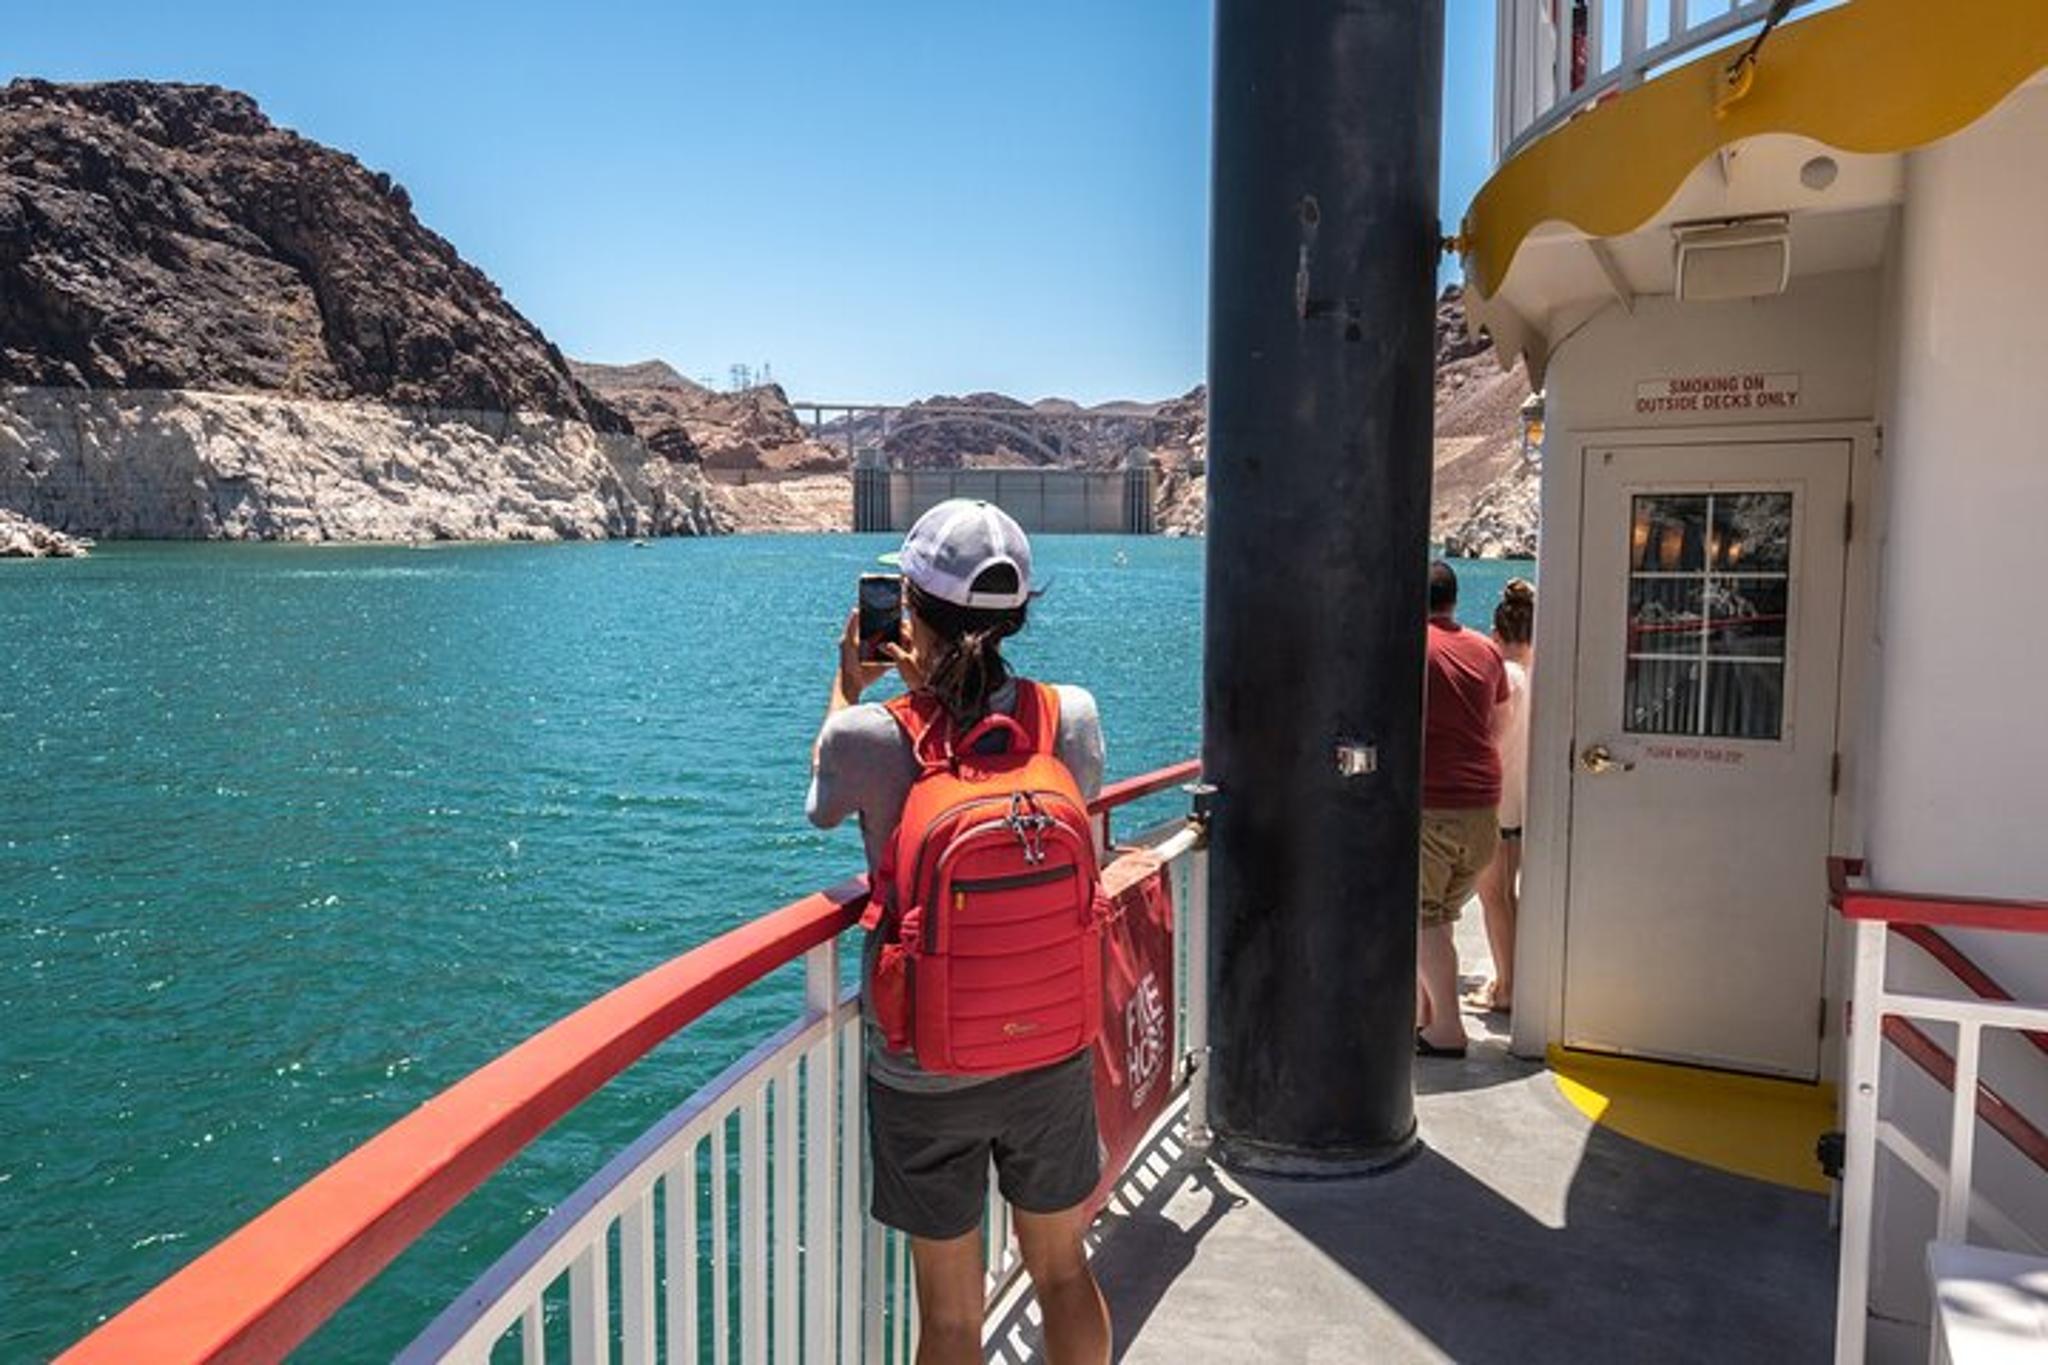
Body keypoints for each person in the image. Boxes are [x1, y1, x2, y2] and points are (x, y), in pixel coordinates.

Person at [807, 498, 1111, 1365]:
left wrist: (851, 686)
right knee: (1061, 1272)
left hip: (925, 1061)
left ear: (906, 605)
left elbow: (823, 805)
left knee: (948, 1316)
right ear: (1016, 612)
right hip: (1051, 1040)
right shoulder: (1069, 716)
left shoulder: (870, 732)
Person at [1416, 561, 1510, 1058]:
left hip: (1435, 804)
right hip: (1482, 807)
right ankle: (1423, 1016)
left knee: (1421, 916)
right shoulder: (1486, 649)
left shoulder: (1413, 647)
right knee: (1440, 916)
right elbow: (1499, 722)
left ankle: (1447, 1029)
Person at [1472, 579, 1535, 1015]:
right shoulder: (1538, 676)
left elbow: (1488, 738)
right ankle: (1508, 978)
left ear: (1496, 635)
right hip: (1523, 801)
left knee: (1493, 898)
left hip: (1496, 801)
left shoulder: (1506, 677)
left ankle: (1507, 987)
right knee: (1509, 897)